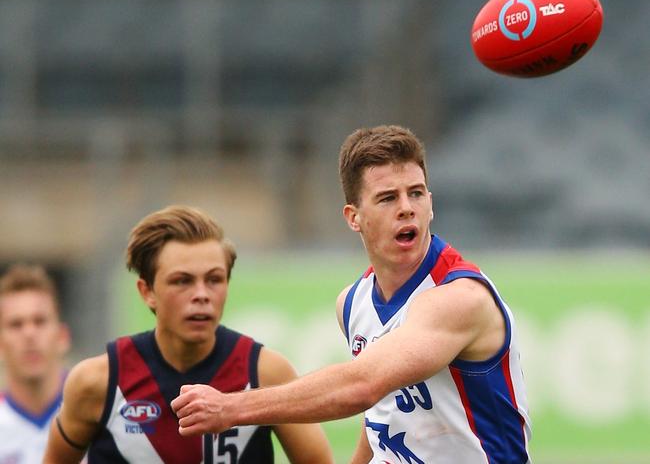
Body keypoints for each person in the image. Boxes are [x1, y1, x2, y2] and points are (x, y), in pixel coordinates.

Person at [172, 125, 533, 463]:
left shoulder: (458, 297)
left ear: (431, 203)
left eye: (416, 193)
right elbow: (381, 408)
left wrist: (231, 409)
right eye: (388, 197)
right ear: (353, 217)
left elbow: (362, 386)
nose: (407, 207)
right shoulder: (352, 302)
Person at [43, 205, 333, 464]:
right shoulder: (97, 382)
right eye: (182, 281)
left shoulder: (266, 372)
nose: (201, 295)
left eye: (214, 279)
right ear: (147, 292)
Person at [0, 263, 71, 464]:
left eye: (39, 321)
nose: (29, 334)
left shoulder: (99, 415)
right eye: (16, 324)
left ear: (62, 337)